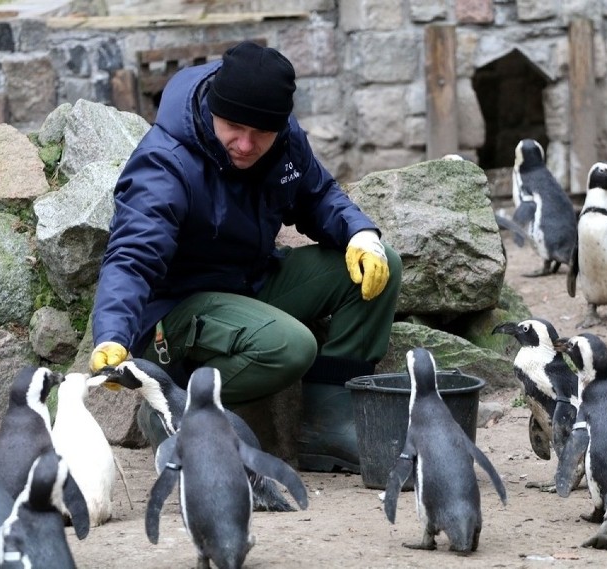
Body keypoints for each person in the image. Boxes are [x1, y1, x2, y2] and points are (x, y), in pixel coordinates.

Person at [88, 40, 402, 473]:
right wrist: (112, 334)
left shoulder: (283, 140)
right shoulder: (166, 162)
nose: (245, 144)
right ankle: (170, 409)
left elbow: (319, 195)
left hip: (248, 286)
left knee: (379, 264)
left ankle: (326, 426)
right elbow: (131, 257)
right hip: (176, 314)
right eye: (233, 126)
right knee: (290, 347)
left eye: (262, 133)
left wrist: (360, 233)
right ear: (213, 107)